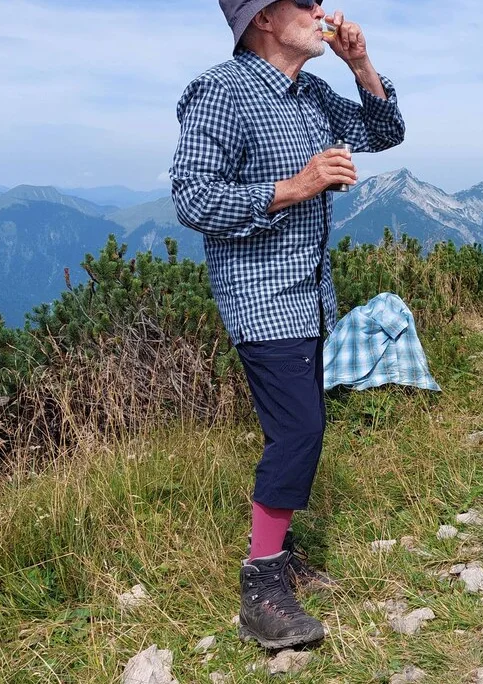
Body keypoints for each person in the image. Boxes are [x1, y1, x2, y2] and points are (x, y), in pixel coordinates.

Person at [170, 0, 405, 650]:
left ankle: (282, 552)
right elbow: (192, 196)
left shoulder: (313, 93)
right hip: (262, 296)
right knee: (299, 431)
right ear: (263, 18)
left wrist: (363, 65)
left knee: (297, 426)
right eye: (304, 2)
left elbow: (385, 133)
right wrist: (292, 188)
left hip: (308, 295)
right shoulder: (222, 91)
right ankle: (263, 592)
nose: (320, 11)